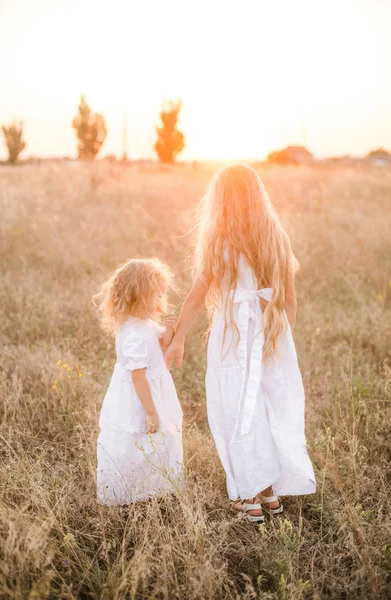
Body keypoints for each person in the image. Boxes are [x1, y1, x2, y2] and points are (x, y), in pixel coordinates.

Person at [165, 164, 316, 523]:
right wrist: (283, 341)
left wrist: (179, 338)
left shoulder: (220, 238)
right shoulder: (276, 235)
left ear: (220, 200)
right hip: (269, 333)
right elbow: (289, 299)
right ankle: (268, 492)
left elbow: (197, 297)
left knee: (234, 409)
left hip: (233, 337)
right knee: (263, 408)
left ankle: (249, 495)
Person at [94, 258, 183, 505]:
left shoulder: (143, 323)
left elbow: (163, 343)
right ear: (141, 295)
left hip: (151, 391)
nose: (161, 299)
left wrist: (170, 329)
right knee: (137, 440)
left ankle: (155, 488)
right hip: (140, 398)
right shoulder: (134, 333)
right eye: (157, 294)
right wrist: (151, 412)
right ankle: (134, 493)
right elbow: (138, 377)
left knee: (156, 441)